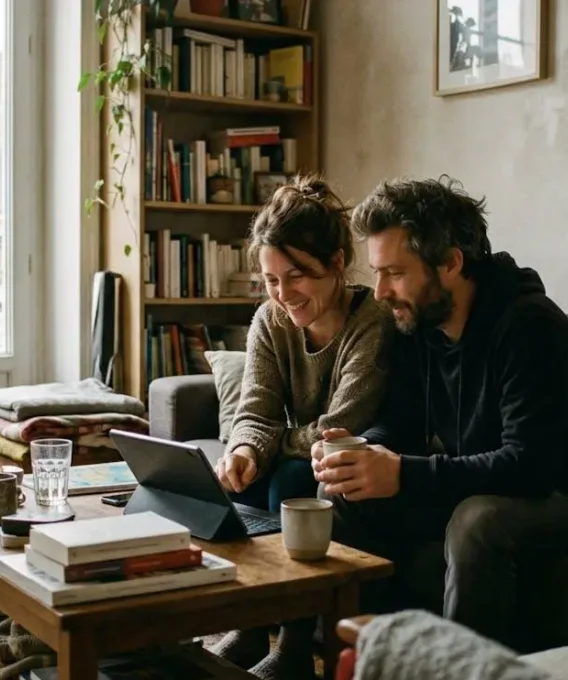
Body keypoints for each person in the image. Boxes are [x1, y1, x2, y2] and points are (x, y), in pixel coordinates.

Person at [311, 175, 568, 649]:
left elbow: (528, 465)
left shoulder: (529, 325)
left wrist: (403, 473)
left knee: (478, 522)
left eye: (395, 272)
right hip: (494, 486)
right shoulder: (417, 321)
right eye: (378, 272)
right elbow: (402, 423)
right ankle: (343, 655)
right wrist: (364, 450)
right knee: (341, 489)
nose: (380, 291)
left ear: (450, 262)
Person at [209, 175, 394, 678]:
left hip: (360, 461)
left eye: (297, 276)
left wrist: (270, 441)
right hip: (309, 456)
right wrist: (245, 449)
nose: (283, 294)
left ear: (336, 263)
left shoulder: (373, 321)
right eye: (271, 280)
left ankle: (292, 646)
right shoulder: (270, 320)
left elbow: (341, 425)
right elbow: (255, 410)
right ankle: (248, 626)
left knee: (292, 482)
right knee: (242, 480)